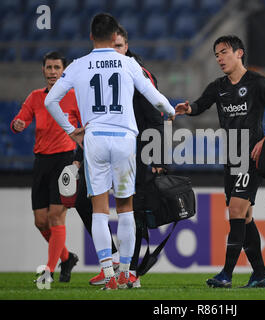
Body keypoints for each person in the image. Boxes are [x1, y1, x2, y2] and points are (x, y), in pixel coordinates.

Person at [45, 13, 175, 290]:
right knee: (126, 208)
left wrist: (72, 130)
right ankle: (127, 273)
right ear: (114, 34)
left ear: (91, 36)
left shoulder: (79, 65)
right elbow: (156, 99)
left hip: (95, 139)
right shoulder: (128, 63)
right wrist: (172, 111)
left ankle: (108, 273)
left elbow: (50, 100)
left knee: (100, 210)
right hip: (125, 139)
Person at [175, 35, 265, 288]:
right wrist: (188, 109)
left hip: (250, 157)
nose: (220, 58)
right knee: (243, 217)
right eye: (216, 54)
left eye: (224, 52)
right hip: (231, 156)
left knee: (235, 211)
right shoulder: (218, 86)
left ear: (239, 53)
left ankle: (226, 274)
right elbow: (200, 105)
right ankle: (260, 275)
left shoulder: (258, 83)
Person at [76, 25, 166, 288]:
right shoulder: (100, 70)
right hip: (102, 148)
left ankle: (131, 271)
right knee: (84, 202)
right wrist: (78, 154)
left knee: (132, 211)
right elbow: (89, 118)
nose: (113, 50)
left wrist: (157, 157)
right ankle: (115, 259)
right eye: (111, 45)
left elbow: (155, 118)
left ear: (126, 47)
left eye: (119, 45)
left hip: (134, 151)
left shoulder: (138, 72)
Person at [10, 51, 80, 283]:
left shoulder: (73, 97)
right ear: (43, 70)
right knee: (40, 221)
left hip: (64, 161)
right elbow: (20, 119)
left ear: (64, 71)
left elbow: (85, 126)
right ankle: (67, 257)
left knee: (55, 217)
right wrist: (17, 125)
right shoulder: (35, 97)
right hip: (41, 161)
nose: (52, 72)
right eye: (48, 68)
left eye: (56, 68)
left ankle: (49, 270)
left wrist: (78, 158)